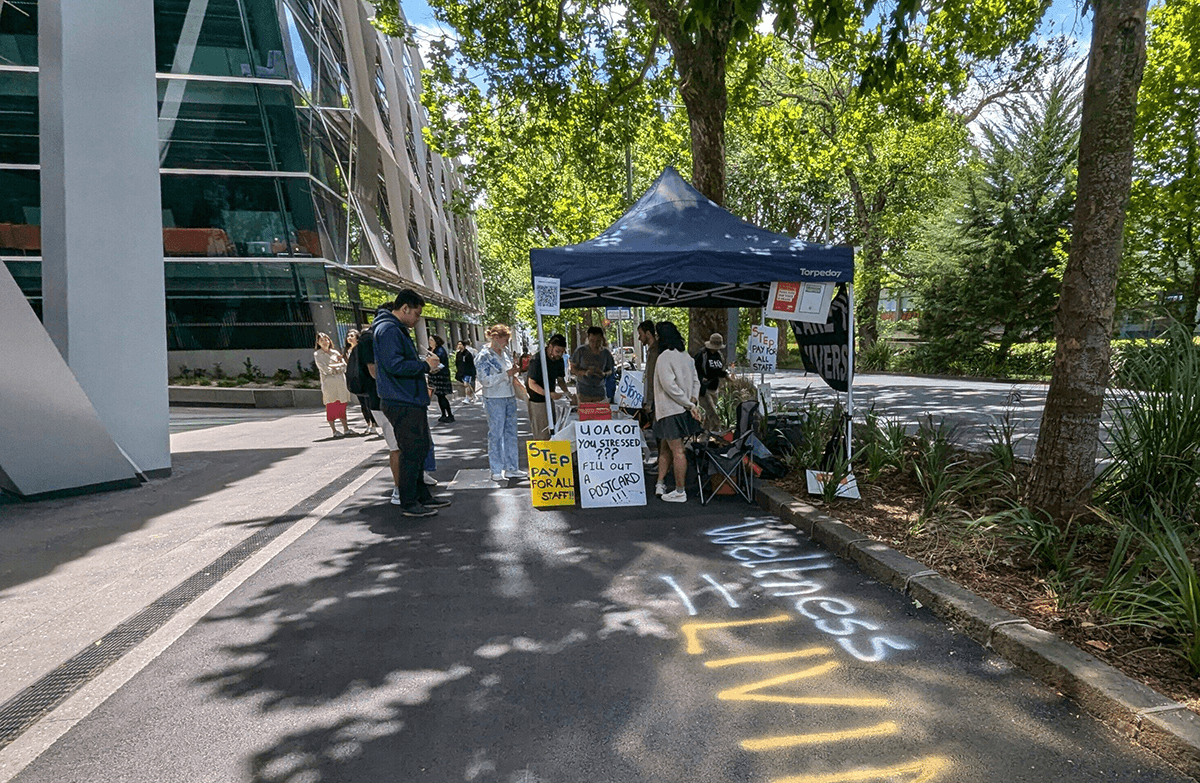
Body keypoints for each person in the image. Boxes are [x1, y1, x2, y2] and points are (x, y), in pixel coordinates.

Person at [373, 290, 452, 518]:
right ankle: (409, 501)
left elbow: (397, 363)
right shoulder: (388, 329)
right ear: (405, 308)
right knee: (411, 451)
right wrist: (425, 366)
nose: (417, 319)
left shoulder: (391, 328)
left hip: (406, 398)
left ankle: (421, 496)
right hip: (401, 399)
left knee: (419, 448)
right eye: (416, 314)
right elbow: (395, 365)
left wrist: (423, 365)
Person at [653, 321, 702, 503]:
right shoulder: (686, 356)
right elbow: (696, 381)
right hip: (683, 410)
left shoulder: (664, 357)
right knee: (667, 448)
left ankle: (680, 491)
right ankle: (660, 482)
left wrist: (688, 404)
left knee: (677, 450)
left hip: (669, 411)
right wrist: (692, 402)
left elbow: (669, 386)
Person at [475, 324, 526, 482]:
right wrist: (506, 374)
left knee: (511, 432)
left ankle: (512, 467)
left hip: (509, 395)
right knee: (496, 433)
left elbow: (508, 373)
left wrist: (513, 372)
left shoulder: (505, 354)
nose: (506, 343)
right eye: (505, 340)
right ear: (495, 337)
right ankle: (496, 468)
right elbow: (484, 380)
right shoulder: (483, 356)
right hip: (494, 398)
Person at [526, 334, 573, 440]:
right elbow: (531, 383)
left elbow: (560, 379)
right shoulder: (538, 359)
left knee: (552, 431)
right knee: (542, 434)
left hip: (549, 399)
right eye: (557, 351)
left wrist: (567, 393)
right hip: (537, 400)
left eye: (562, 352)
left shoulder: (559, 360)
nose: (560, 355)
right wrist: (548, 394)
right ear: (550, 347)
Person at [314, 332, 354, 438]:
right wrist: (336, 367)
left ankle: (346, 428)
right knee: (331, 406)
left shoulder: (335, 352)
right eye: (321, 340)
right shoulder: (318, 354)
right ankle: (334, 430)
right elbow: (325, 369)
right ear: (318, 342)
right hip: (329, 383)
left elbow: (344, 366)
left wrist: (334, 366)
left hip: (340, 381)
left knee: (342, 405)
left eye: (326, 339)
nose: (324, 342)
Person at [344, 329, 378, 436]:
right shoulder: (347, 350)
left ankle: (373, 424)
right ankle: (368, 423)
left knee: (368, 401)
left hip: (363, 377)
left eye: (352, 335)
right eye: (348, 335)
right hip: (355, 377)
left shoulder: (362, 348)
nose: (349, 337)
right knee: (362, 403)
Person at [570, 326, 615, 403]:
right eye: (592, 341)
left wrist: (604, 374)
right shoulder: (580, 351)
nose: (594, 344)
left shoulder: (606, 353)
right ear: (588, 338)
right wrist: (585, 373)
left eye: (598, 341)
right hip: (583, 391)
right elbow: (573, 369)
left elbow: (610, 370)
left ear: (602, 339)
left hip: (600, 391)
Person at [695, 332, 730, 430]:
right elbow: (694, 369)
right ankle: (718, 431)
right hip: (705, 389)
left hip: (714, 388)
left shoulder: (719, 355)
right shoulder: (702, 355)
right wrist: (701, 378)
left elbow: (720, 371)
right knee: (713, 414)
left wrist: (727, 376)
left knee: (709, 416)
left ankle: (705, 435)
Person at [428, 334, 455, 423]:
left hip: (441, 375)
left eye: (431, 340)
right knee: (439, 396)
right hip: (434, 375)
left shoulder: (440, 350)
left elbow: (440, 363)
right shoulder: (430, 350)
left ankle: (449, 414)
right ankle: (443, 414)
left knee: (442, 395)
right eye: (429, 340)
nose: (430, 342)